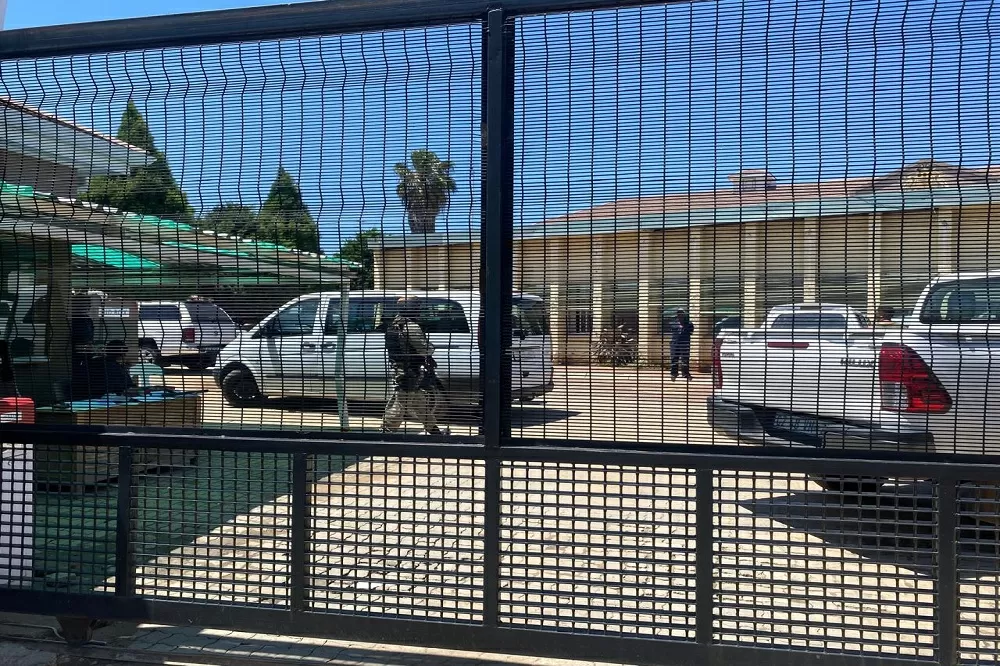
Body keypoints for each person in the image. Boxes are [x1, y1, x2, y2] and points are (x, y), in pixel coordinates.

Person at [381, 297, 443, 434]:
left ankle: (434, 431)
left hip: (404, 369)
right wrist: (430, 349)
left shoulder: (395, 325)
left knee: (419, 402)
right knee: (400, 403)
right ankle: (386, 433)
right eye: (416, 308)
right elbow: (425, 349)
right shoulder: (410, 327)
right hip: (408, 371)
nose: (419, 311)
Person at [667, 308, 694, 381]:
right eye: (678, 313)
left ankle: (685, 373)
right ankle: (674, 373)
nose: (680, 315)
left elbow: (691, 332)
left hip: (684, 343)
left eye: (681, 313)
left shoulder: (689, 323)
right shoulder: (673, 323)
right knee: (674, 359)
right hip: (675, 343)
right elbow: (671, 331)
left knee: (685, 359)